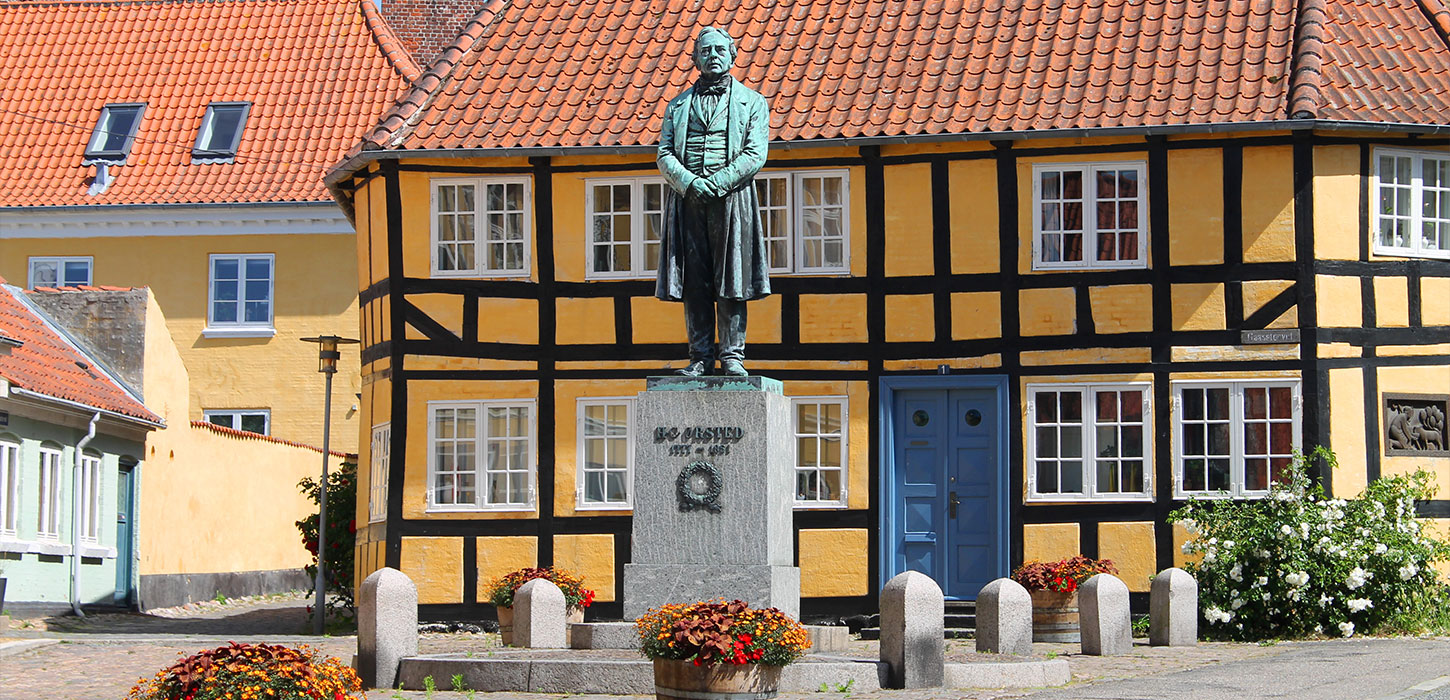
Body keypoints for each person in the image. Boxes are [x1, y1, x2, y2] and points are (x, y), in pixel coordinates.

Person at [655, 27, 771, 377]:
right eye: (705, 51)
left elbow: (755, 153)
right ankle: (700, 356)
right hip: (688, 201)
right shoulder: (677, 107)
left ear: (733, 56)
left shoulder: (752, 103)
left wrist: (717, 183)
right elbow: (664, 152)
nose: (713, 56)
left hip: (732, 199)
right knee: (695, 279)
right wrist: (690, 183)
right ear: (695, 59)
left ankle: (732, 354)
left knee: (732, 277)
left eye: (720, 50)